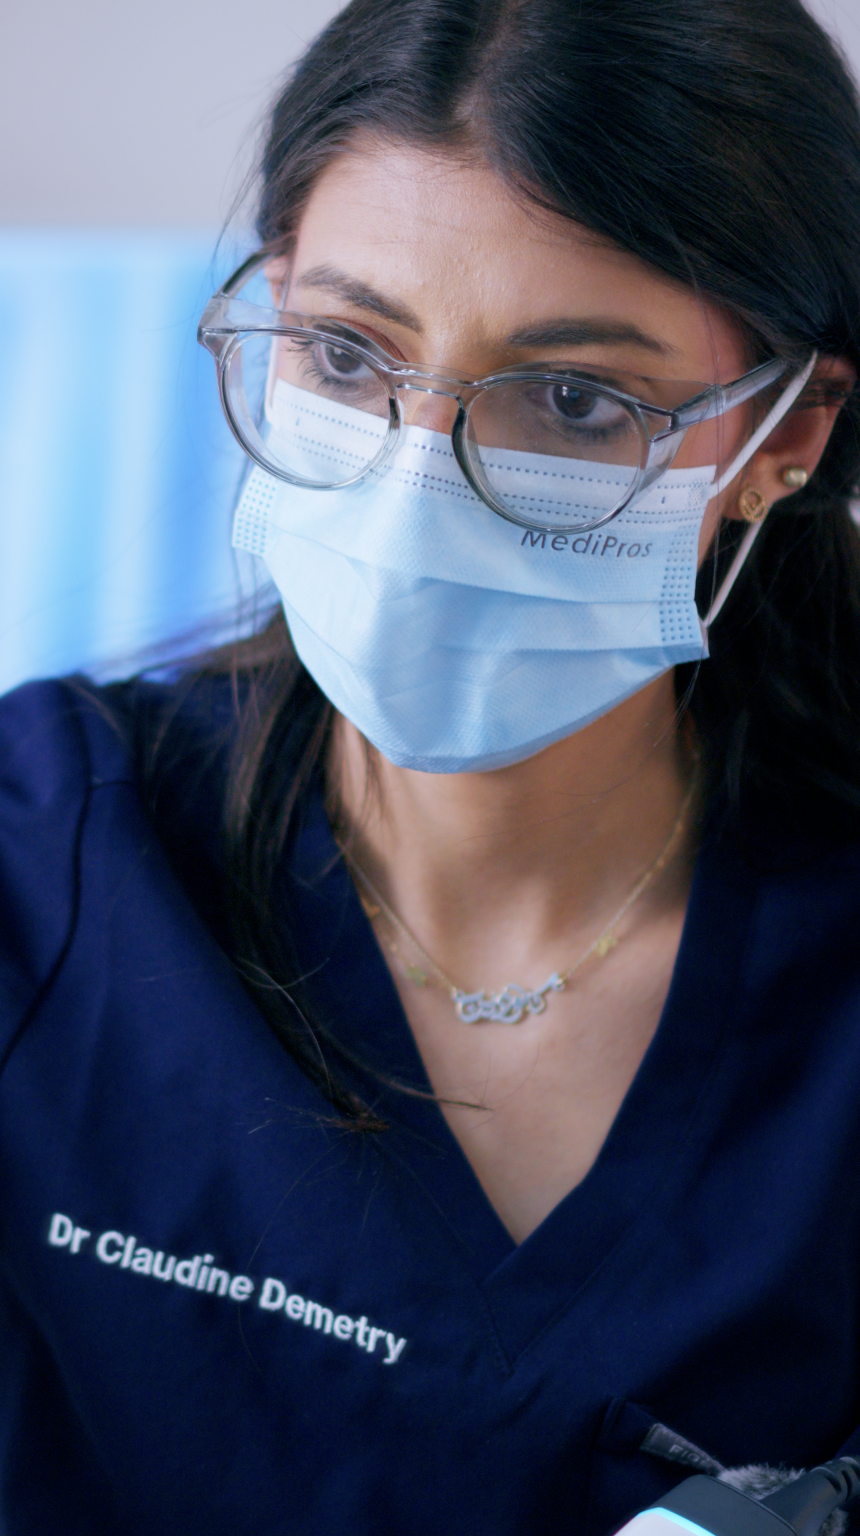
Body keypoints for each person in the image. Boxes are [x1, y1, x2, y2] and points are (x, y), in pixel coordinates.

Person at [2, 0, 860, 1531]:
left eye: (573, 400)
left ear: (785, 436)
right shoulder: (43, 856)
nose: (412, 494)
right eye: (346, 352)